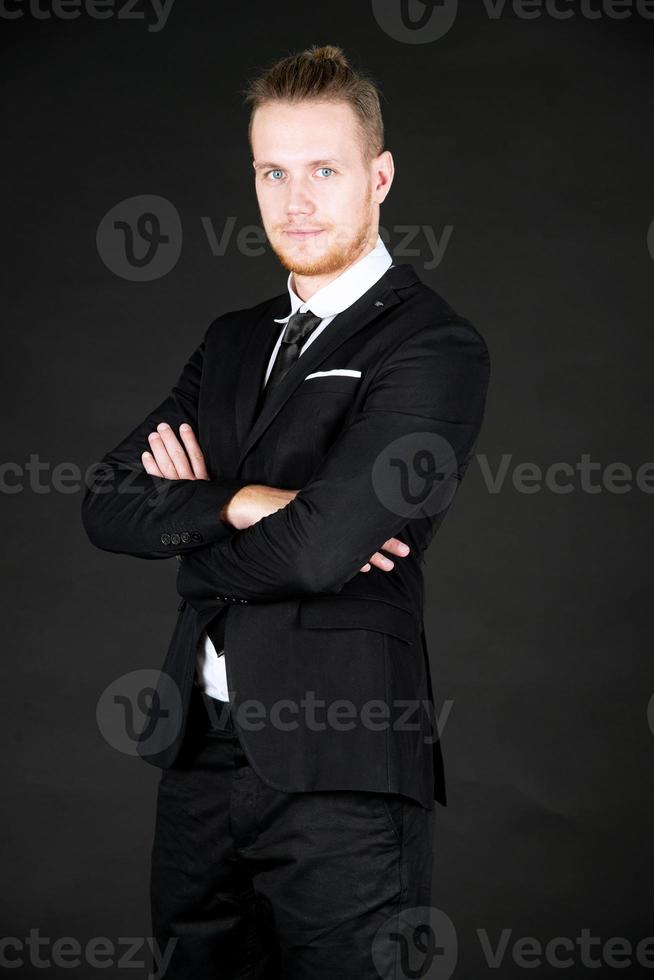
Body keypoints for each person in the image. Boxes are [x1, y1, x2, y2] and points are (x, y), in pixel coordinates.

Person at [82, 43, 490, 980]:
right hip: (198, 758)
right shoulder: (230, 341)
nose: (294, 200)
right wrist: (242, 500)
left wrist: (194, 534)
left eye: (324, 170)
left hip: (342, 767)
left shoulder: (434, 347)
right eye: (273, 171)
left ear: (379, 177)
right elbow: (107, 501)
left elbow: (318, 552)